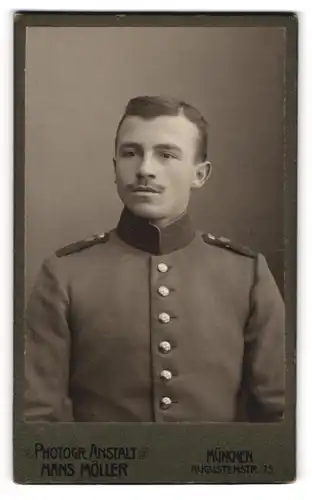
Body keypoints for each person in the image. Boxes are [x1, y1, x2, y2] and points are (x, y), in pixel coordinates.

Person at [24, 95, 285, 423]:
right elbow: (36, 421)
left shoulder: (247, 275)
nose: (145, 169)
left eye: (166, 154)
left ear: (200, 174)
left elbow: (280, 420)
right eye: (131, 153)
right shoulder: (64, 275)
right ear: (115, 166)